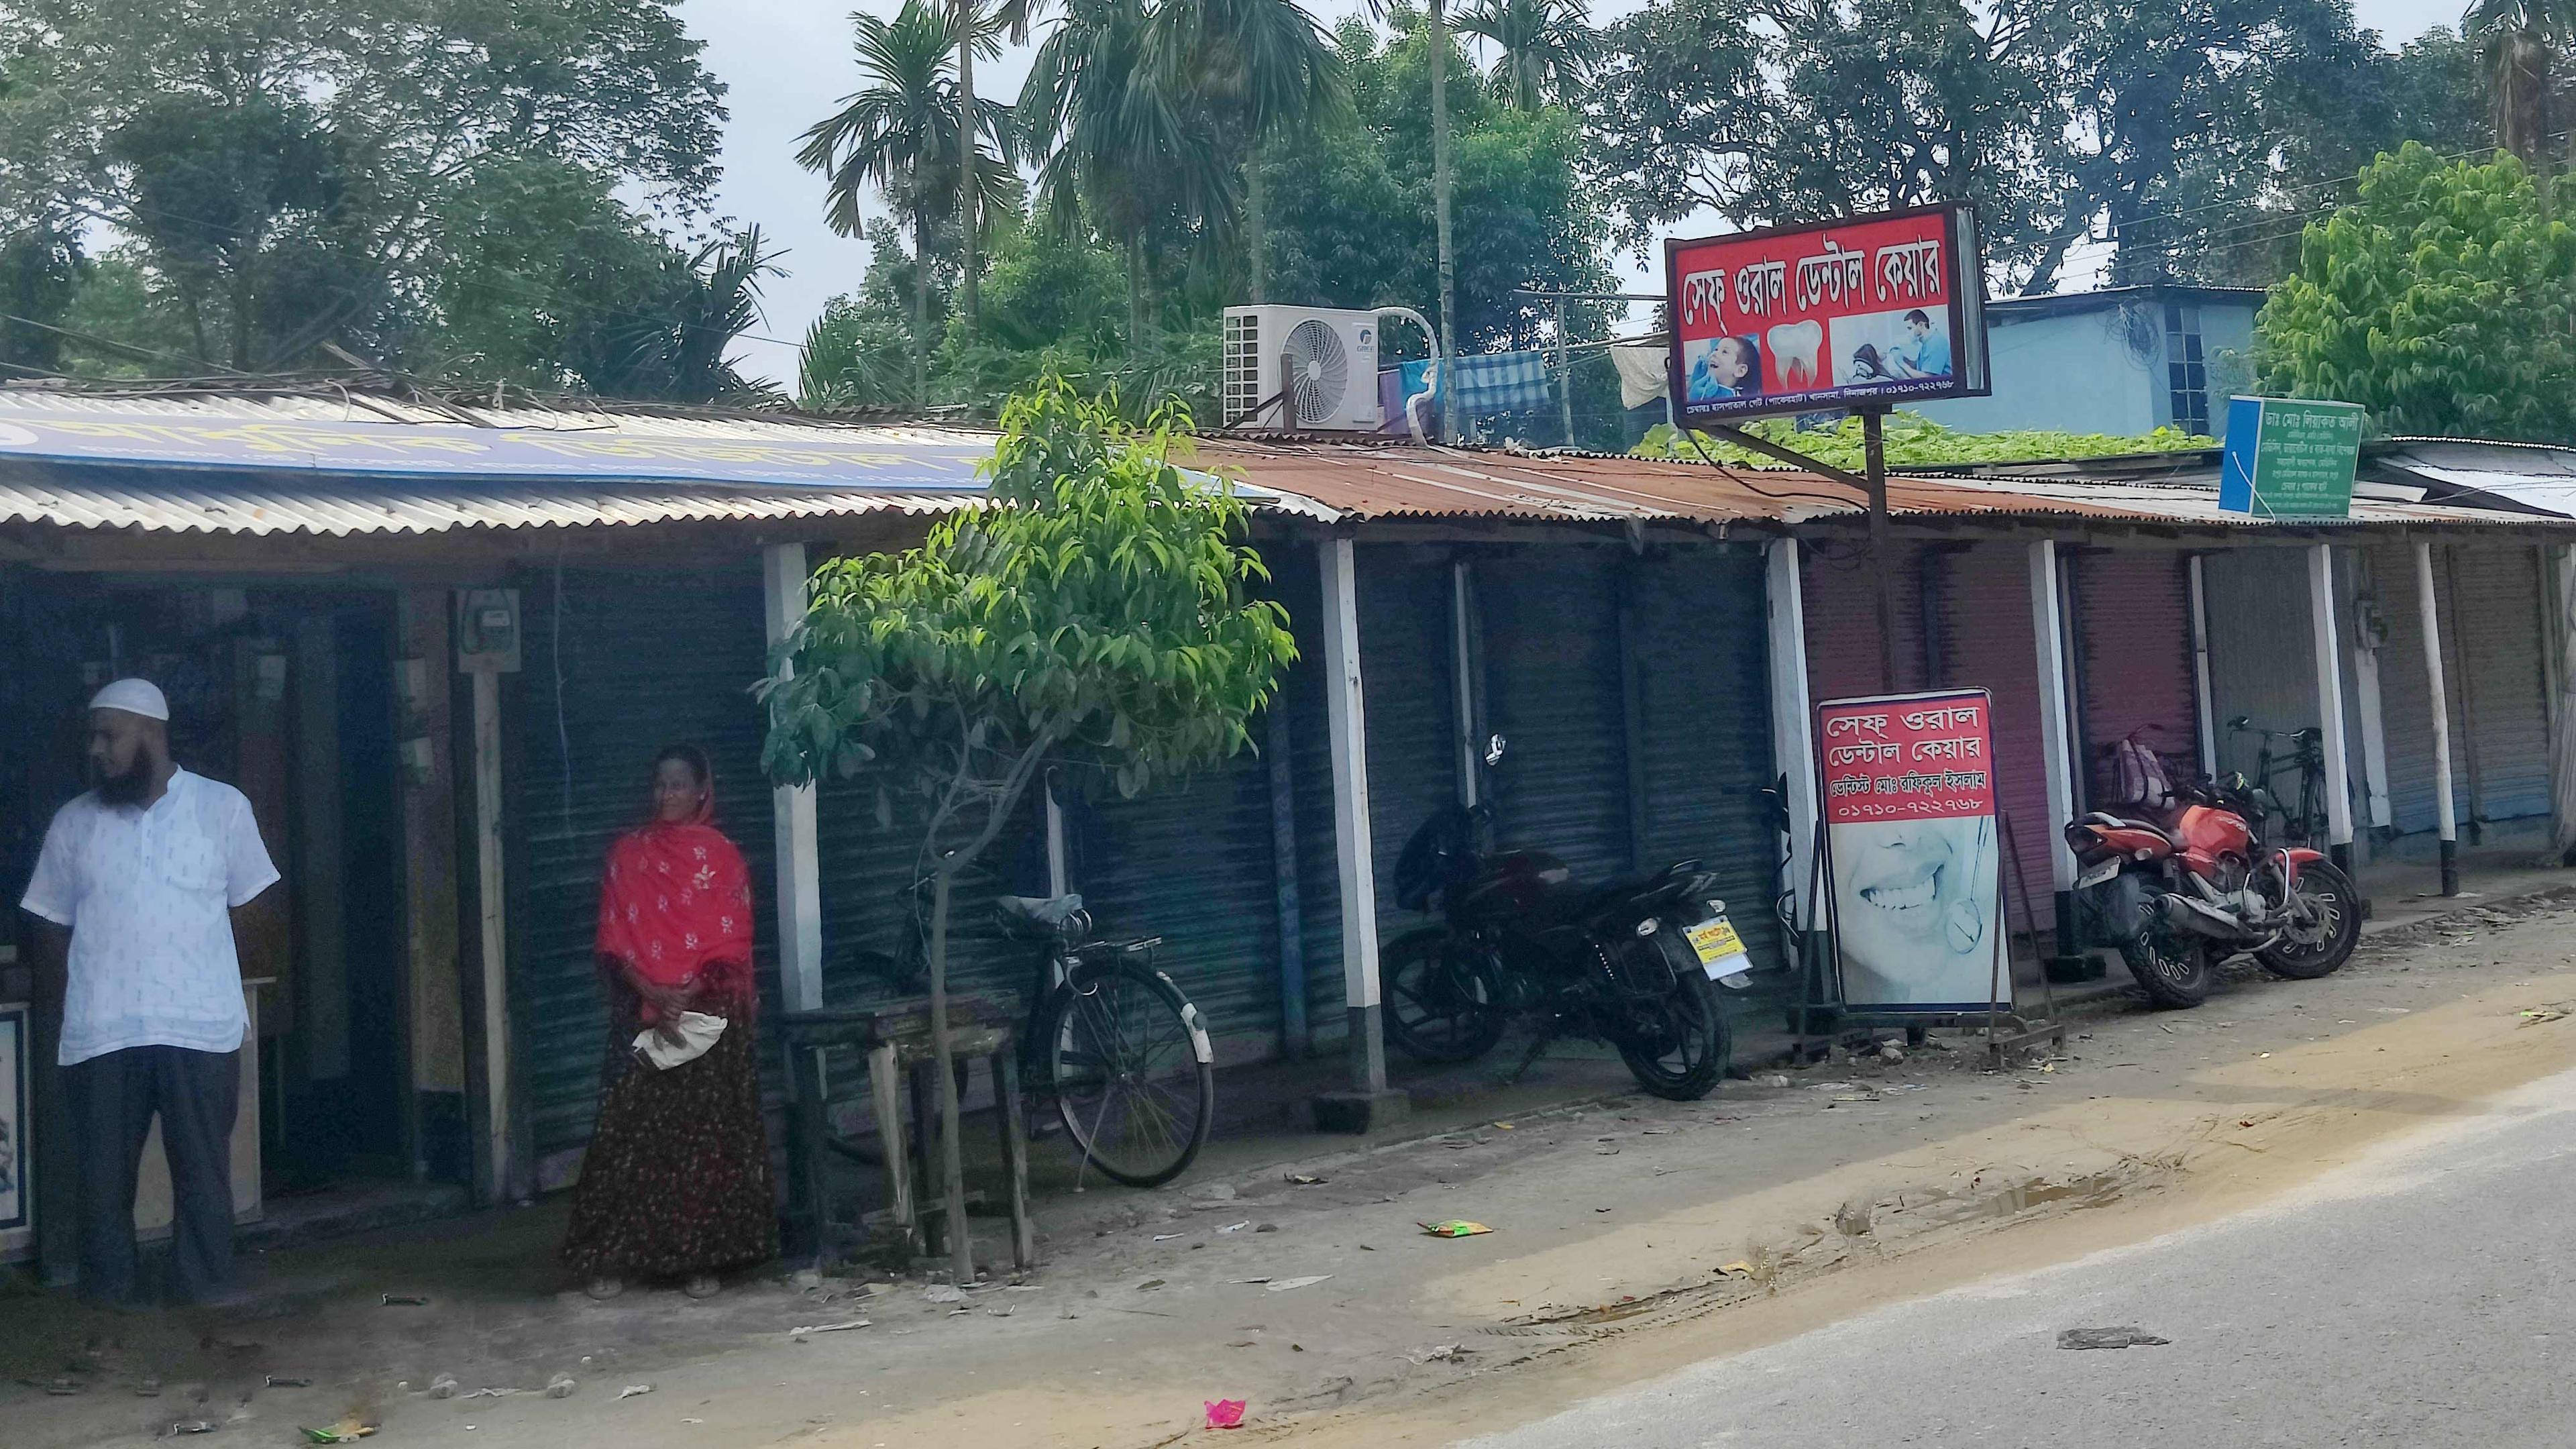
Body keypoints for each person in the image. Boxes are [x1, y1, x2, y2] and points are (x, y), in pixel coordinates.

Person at [18, 679, 278, 1307]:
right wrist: (73, 1001)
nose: (97, 750)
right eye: (93, 737)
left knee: (202, 1171)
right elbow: (47, 923)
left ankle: (206, 1286)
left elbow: (255, 912)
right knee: (103, 1178)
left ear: (152, 734)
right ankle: (112, 1295)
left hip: (200, 1025)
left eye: (109, 735)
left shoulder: (223, 809)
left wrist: (201, 971)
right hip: (102, 1029)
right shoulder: (74, 823)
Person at [561, 745, 775, 1300]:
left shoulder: (722, 857)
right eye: (660, 784)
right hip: (642, 1010)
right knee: (625, 1134)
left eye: (678, 784)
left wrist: (686, 993)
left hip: (707, 1013)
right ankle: (612, 1257)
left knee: (704, 1138)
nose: (667, 795)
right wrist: (652, 990)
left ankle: (701, 1261)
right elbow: (614, 936)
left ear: (704, 790)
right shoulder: (628, 855)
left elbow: (731, 936)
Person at [1887, 309, 1953, 380]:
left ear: (1921, 325)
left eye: (1910, 328)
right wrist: (1903, 359)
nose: (1908, 333)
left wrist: (1902, 364)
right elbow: (1922, 366)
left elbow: (1928, 378)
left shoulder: (1936, 343)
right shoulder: (1927, 342)